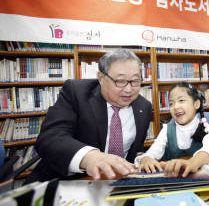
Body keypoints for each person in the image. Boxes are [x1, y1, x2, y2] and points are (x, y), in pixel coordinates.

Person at [26, 50, 152, 183]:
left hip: (117, 184)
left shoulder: (144, 107)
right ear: (101, 78)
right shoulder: (76, 92)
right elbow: (50, 137)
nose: (128, 89)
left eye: (135, 81)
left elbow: (136, 149)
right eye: (120, 81)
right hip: (66, 182)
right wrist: (89, 157)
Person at [135, 82, 209, 177]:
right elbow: (154, 150)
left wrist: (193, 163)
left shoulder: (206, 127)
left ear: (196, 104)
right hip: (175, 178)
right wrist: (146, 159)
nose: (175, 107)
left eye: (181, 100)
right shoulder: (167, 129)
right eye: (171, 103)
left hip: (198, 177)